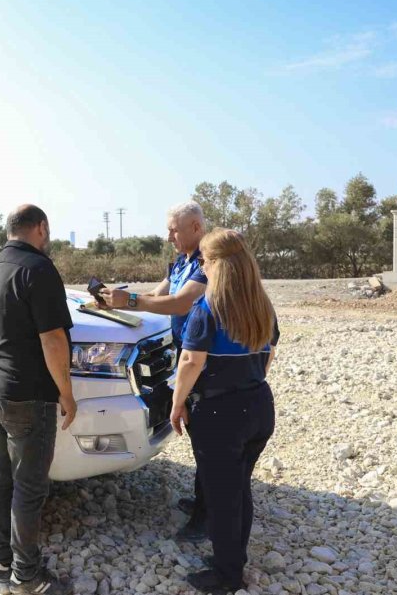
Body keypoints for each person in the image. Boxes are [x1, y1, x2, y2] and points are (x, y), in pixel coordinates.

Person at [0, 204, 76, 595]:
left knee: (0, 479)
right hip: (27, 396)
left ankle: (1, 562)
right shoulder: (40, 270)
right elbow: (53, 339)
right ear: (41, 229)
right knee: (29, 488)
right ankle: (27, 577)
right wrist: (67, 394)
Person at [169, 228, 279, 594]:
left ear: (216, 263)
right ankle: (233, 559)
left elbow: (190, 361)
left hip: (220, 414)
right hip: (259, 405)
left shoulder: (207, 307)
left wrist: (177, 402)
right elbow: (268, 359)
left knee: (221, 496)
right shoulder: (262, 304)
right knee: (239, 489)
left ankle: (227, 575)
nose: (200, 263)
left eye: (203, 258)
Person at [98, 200, 209, 542]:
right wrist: (117, 298)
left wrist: (130, 302)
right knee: (199, 436)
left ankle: (207, 517)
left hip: (205, 359)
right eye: (169, 229)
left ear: (195, 228)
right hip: (185, 355)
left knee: (209, 438)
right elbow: (156, 295)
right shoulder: (179, 263)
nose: (169, 236)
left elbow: (180, 303)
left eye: (175, 229)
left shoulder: (208, 262)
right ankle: (204, 501)